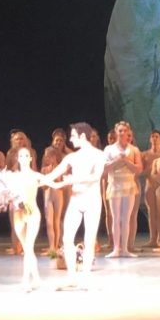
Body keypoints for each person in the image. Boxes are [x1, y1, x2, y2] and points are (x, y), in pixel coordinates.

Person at [41, 123, 106, 289]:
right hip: (76, 200)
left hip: (91, 201)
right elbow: (53, 175)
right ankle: (72, 276)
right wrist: (36, 179)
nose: (70, 139)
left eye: (73, 136)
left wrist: (72, 180)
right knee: (67, 239)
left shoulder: (99, 155)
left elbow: (95, 176)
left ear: (83, 136)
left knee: (89, 239)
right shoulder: (72, 158)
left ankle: (84, 277)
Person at [103, 121, 143, 258]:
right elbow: (104, 169)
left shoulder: (134, 150)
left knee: (126, 218)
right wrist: (117, 161)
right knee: (116, 218)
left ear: (128, 132)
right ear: (116, 132)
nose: (122, 133)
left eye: (124, 131)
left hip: (129, 184)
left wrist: (126, 160)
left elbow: (139, 169)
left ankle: (125, 248)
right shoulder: (109, 149)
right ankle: (116, 248)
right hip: (114, 184)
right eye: (119, 131)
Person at [7, 146, 43, 291]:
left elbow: (52, 181)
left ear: (30, 158)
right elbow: (9, 195)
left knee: (28, 247)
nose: (23, 158)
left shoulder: (35, 175)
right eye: (20, 156)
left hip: (33, 212)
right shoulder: (13, 176)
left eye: (26, 155)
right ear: (17, 159)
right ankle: (37, 279)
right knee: (27, 248)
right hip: (19, 214)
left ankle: (25, 280)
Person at [41, 128, 69, 254]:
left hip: (58, 194)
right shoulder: (45, 169)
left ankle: (57, 245)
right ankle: (52, 245)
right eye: (56, 140)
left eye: (61, 141)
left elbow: (62, 182)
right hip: (48, 195)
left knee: (57, 220)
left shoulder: (61, 167)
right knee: (49, 221)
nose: (48, 157)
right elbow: (43, 184)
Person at [140, 130, 160, 249]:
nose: (154, 138)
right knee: (151, 213)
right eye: (152, 136)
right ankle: (152, 239)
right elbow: (140, 171)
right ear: (150, 139)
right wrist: (149, 169)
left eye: (157, 136)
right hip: (149, 185)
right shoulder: (144, 154)